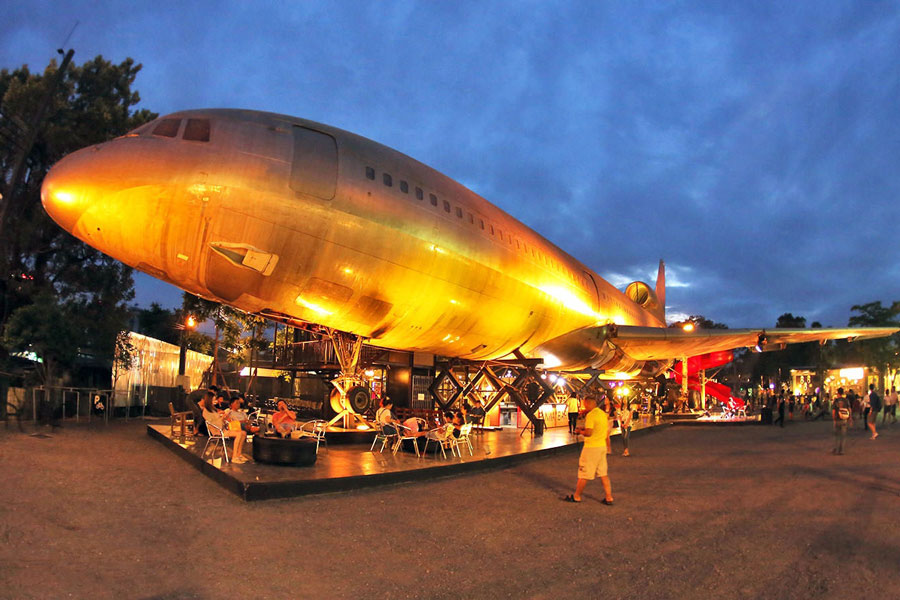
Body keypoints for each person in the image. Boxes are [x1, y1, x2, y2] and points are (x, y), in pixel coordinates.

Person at [565, 396, 614, 505]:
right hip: (602, 446)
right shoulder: (601, 414)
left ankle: (577, 496)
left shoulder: (591, 415)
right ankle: (609, 497)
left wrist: (580, 432)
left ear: (588, 403)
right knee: (603, 473)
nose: (584, 406)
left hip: (591, 448)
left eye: (584, 404)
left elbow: (589, 433)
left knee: (584, 473)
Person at [201, 395, 248, 463]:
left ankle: (239, 454)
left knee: (244, 433)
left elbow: (217, 420)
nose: (215, 401)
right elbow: (214, 423)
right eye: (214, 400)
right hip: (218, 431)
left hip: (221, 428)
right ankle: (234, 457)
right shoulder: (206, 411)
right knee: (239, 434)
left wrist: (223, 417)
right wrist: (222, 417)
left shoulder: (212, 410)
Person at [832, 387, 852, 455]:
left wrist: (834, 419)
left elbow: (834, 411)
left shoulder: (836, 401)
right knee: (843, 435)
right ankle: (842, 450)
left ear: (838, 393)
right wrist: (850, 418)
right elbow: (849, 409)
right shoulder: (846, 400)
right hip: (844, 419)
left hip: (837, 419)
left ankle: (836, 449)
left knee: (836, 435)